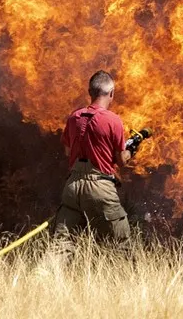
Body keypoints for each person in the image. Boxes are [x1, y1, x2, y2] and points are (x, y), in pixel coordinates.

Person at [51, 70, 131, 244]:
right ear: (111, 93)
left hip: (72, 187)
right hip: (99, 186)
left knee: (61, 244)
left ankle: (46, 272)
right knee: (119, 243)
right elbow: (121, 161)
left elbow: (67, 152)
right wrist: (129, 152)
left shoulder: (74, 117)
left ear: (89, 92)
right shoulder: (113, 120)